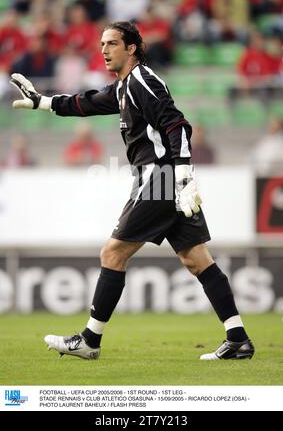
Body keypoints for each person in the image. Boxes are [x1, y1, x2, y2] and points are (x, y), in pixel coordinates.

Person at [10, 21, 254, 361]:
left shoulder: (142, 81)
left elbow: (177, 124)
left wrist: (181, 176)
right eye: (101, 44)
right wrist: (43, 103)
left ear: (132, 48)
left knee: (112, 254)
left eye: (111, 43)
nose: (104, 50)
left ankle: (90, 340)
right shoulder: (123, 87)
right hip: (166, 179)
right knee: (196, 259)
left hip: (159, 178)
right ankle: (238, 337)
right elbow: (86, 103)